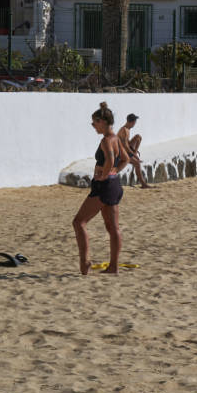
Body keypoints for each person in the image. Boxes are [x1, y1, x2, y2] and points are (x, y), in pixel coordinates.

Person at [73, 102, 128, 276]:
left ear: (102, 122)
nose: (93, 126)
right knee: (113, 228)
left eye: (94, 122)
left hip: (104, 187)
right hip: (114, 185)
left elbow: (111, 160)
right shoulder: (116, 139)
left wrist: (104, 175)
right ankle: (113, 266)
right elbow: (125, 159)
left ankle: (85, 263)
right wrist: (113, 173)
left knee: (78, 222)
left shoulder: (106, 140)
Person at [118, 112, 151, 189]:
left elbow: (126, 143)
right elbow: (125, 146)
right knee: (137, 164)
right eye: (135, 122)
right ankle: (143, 184)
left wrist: (134, 151)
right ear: (132, 122)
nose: (135, 124)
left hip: (125, 150)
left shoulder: (127, 129)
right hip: (121, 153)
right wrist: (134, 155)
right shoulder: (124, 130)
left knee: (138, 137)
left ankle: (135, 153)